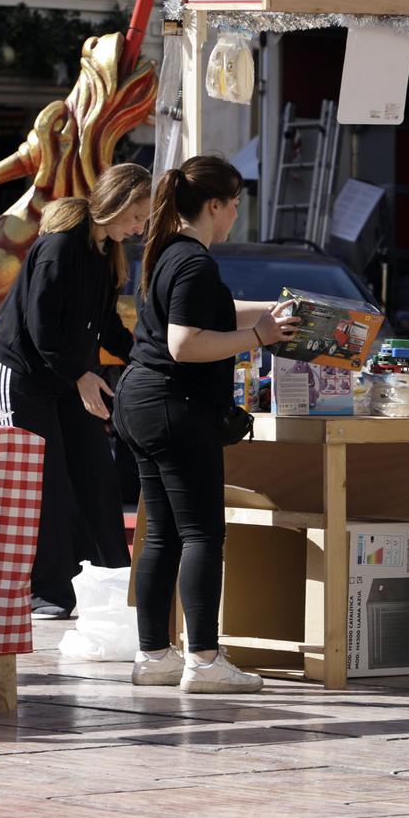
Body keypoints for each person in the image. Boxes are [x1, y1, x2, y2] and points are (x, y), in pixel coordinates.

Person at [116, 155, 297, 694]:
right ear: (214, 205)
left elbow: (208, 314)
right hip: (175, 406)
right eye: (236, 203)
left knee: (162, 536)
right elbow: (186, 343)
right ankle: (204, 660)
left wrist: (276, 313)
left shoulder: (170, 252)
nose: (237, 213)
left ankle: (154, 656)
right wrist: (259, 338)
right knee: (201, 534)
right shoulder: (194, 262)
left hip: (144, 402)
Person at [0, 163, 151, 619]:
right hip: (21, 374)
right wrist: (81, 375)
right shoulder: (59, 248)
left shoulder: (103, 255)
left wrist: (146, 357)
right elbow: (41, 328)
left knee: (96, 473)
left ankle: (112, 583)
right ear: (115, 205)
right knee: (45, 482)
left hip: (67, 376)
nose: (140, 228)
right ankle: (47, 593)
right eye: (137, 216)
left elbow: (108, 325)